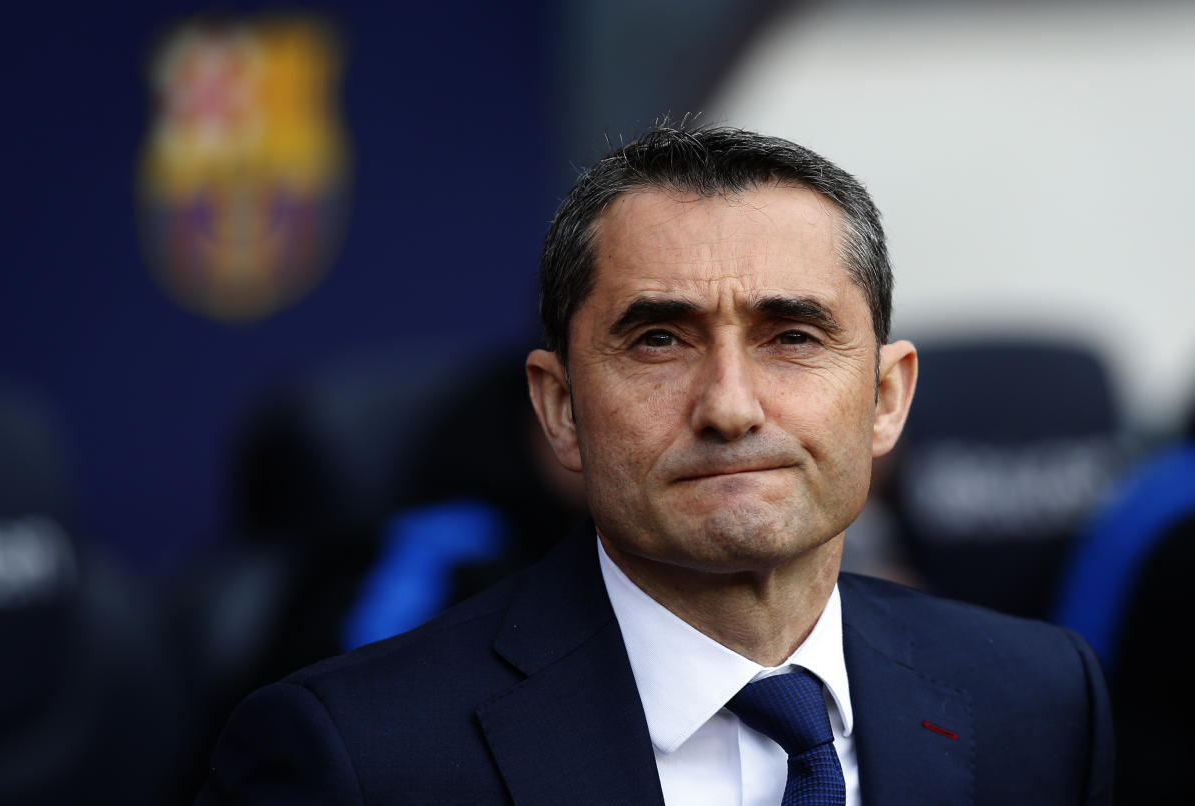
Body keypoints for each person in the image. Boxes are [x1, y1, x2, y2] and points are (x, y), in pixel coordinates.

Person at [197, 125, 1113, 805]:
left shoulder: (1037, 700)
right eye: (660, 341)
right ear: (559, 409)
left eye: (792, 336)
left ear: (886, 399)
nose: (728, 405)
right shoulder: (356, 757)